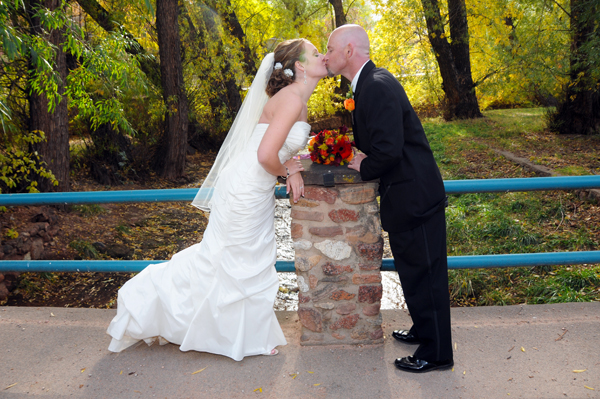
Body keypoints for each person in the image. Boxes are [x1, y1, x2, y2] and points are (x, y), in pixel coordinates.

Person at [106, 39, 328, 361]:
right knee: (230, 258)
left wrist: (292, 165)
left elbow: (273, 148)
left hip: (251, 184)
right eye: (316, 53)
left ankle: (244, 336)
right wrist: (286, 171)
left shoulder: (295, 98)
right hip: (246, 187)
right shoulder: (293, 99)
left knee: (241, 258)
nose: (323, 56)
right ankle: (146, 302)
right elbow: (266, 155)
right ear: (301, 67)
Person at [324, 25, 453, 373]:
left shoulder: (376, 87)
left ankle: (437, 353)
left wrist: (361, 162)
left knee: (426, 275)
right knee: (414, 274)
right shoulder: (369, 84)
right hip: (409, 195)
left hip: (415, 196)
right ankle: (425, 331)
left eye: (331, 49)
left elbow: (388, 152)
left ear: (350, 50)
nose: (326, 55)